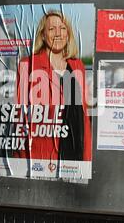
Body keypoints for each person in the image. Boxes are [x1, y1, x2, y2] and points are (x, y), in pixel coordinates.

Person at [15, 10, 92, 162]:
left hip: (75, 152)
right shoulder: (28, 65)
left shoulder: (78, 65)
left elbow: (84, 116)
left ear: (68, 33)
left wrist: (87, 158)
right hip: (41, 155)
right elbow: (19, 118)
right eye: (52, 29)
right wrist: (23, 161)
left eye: (63, 28)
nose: (58, 33)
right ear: (43, 35)